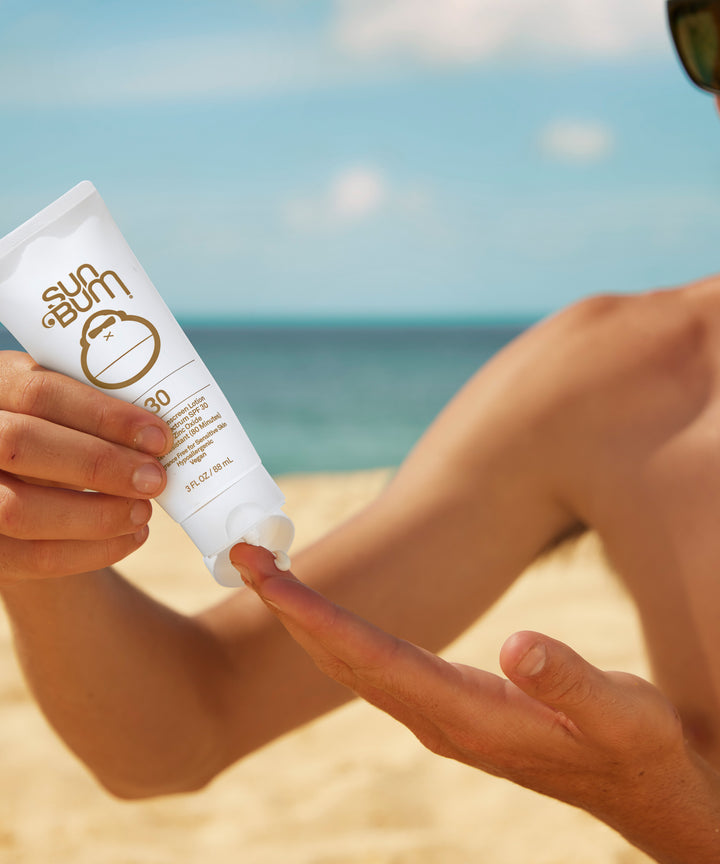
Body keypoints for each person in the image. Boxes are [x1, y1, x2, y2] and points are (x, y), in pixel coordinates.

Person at [2, 4, 720, 861]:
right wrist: (34, 521)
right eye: (711, 29)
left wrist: (673, 812)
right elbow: (178, 727)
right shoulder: (621, 386)